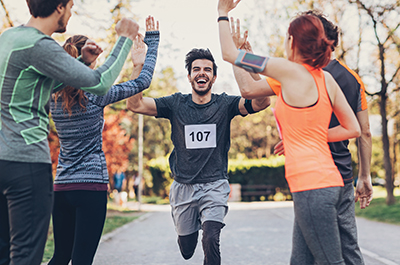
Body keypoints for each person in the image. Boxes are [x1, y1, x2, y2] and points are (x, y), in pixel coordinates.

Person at [217, 0, 361, 264]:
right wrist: (310, 136)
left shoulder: (287, 70)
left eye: (286, 36)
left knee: (332, 261)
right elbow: (353, 128)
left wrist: (222, 13)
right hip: (327, 183)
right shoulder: (325, 78)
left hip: (312, 186)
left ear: (293, 41)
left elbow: (229, 53)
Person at [0, 0, 138, 263]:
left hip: (2, 159)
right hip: (26, 164)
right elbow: (99, 83)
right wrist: (124, 39)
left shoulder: (9, 38)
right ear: (60, 7)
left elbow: (44, 83)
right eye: (72, 6)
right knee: (26, 255)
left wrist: (82, 61)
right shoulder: (40, 45)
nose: (72, 12)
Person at [126, 48, 270, 264]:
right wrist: (138, 66)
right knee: (187, 250)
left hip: (215, 185)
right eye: (196, 69)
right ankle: (186, 231)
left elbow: (263, 102)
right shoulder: (175, 104)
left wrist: (246, 61)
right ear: (189, 76)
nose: (201, 73)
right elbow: (134, 104)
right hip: (183, 187)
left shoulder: (225, 104)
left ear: (213, 77)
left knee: (211, 238)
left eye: (207, 70)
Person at [48, 16, 159, 265]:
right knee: (82, 260)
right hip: (90, 187)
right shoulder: (97, 91)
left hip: (62, 186)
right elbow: (142, 82)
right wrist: (149, 49)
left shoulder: (52, 94)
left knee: (60, 256)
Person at [273, 10, 373, 265]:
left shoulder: (296, 74)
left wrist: (304, 137)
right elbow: (364, 132)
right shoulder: (354, 79)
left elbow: (250, 90)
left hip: (313, 177)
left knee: (319, 250)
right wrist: (364, 176)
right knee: (347, 246)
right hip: (343, 174)